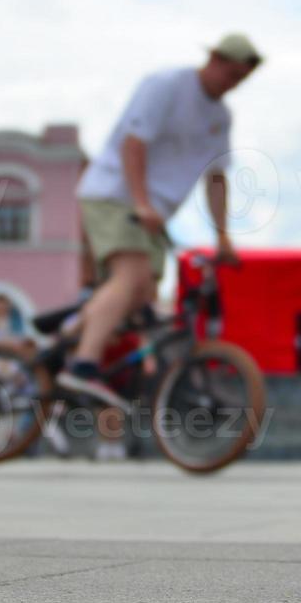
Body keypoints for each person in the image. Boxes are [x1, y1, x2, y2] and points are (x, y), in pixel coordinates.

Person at [65, 33, 262, 399]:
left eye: (241, 79)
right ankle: (84, 364)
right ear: (214, 59)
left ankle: (67, 337)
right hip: (115, 194)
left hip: (153, 213)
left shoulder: (220, 116)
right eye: (230, 73)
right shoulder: (168, 85)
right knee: (132, 275)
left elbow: (216, 177)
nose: (232, 84)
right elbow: (133, 143)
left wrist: (222, 236)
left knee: (142, 294)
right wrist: (141, 202)